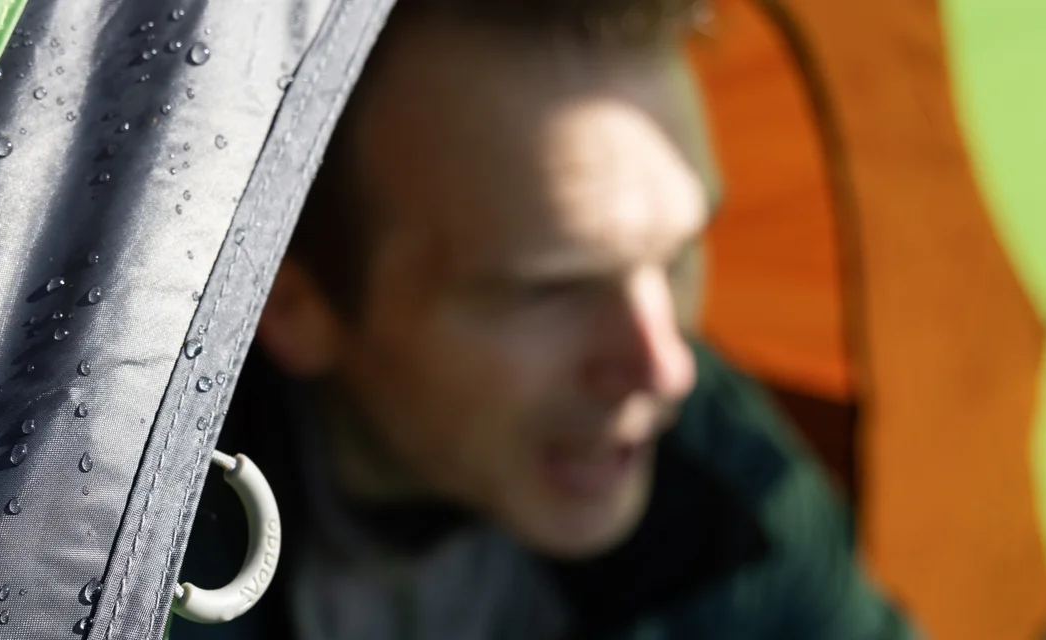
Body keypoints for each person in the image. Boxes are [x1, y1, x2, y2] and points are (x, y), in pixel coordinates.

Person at [171, 0, 916, 638]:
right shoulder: (110, 556)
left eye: (680, 255)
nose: (667, 367)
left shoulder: (723, 489)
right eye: (548, 291)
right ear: (293, 308)